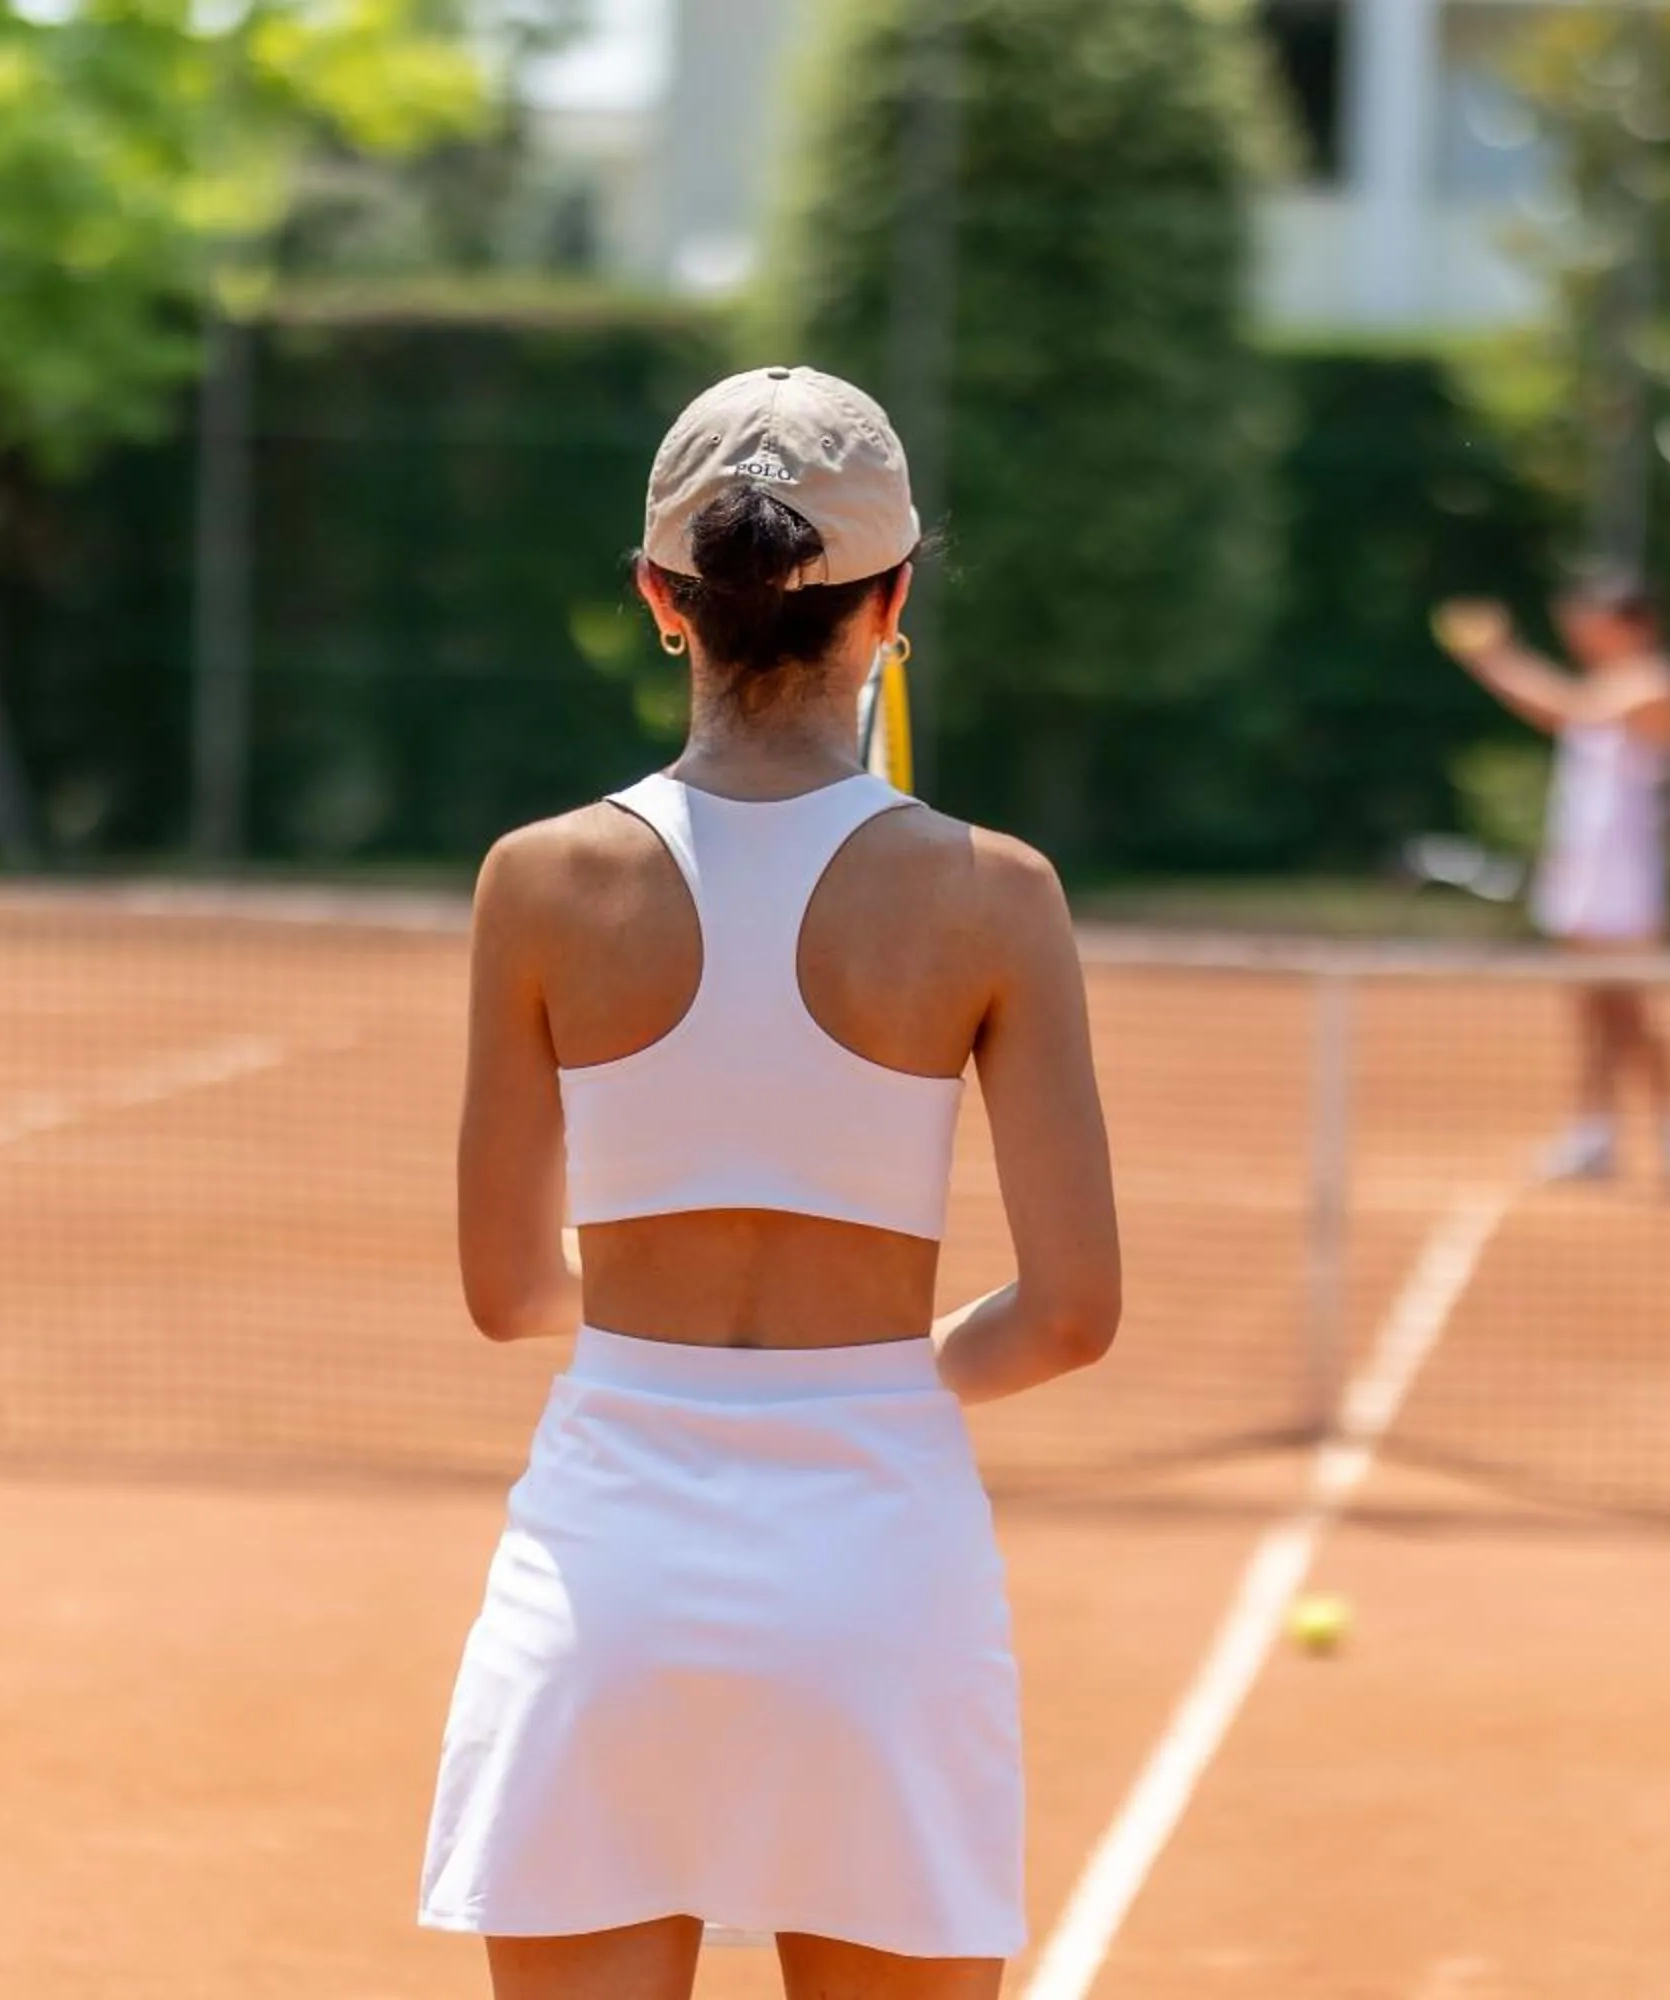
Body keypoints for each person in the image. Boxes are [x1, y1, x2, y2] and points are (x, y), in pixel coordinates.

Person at [422, 365, 1123, 2000]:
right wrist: (867, 1373)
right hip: (880, 1566)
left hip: (602, 1574)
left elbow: (508, 1292)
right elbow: (1071, 1316)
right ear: (892, 601)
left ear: (664, 600)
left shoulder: (538, 881)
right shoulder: (999, 896)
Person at [1433, 571, 1670, 1191]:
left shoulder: (1657, 682)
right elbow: (1567, 711)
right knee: (1590, 1013)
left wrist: (1495, 656)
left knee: (1632, 1014)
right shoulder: (1608, 685)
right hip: (1583, 879)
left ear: (1636, 623)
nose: (1582, 631)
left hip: (1628, 884)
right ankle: (1593, 1137)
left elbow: (1569, 710)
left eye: (1596, 620)